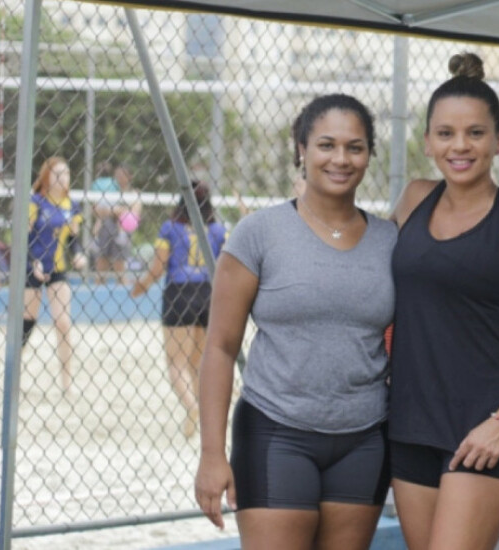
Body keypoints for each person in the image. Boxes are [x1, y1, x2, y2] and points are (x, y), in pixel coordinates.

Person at [194, 94, 397, 550]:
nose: (340, 159)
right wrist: (211, 453)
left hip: (364, 439)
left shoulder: (389, 239)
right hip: (276, 431)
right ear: (301, 149)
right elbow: (221, 347)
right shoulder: (259, 233)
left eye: (355, 147)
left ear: (368, 155)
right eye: (326, 145)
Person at [387, 52, 499, 550]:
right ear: (427, 142)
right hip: (411, 421)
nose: (459, 145)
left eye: (475, 133)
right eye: (445, 133)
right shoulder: (412, 201)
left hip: (487, 427)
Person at [130, 180, 227, 438]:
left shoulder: (170, 229)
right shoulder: (218, 230)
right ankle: (202, 415)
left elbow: (158, 266)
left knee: (176, 363)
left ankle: (192, 406)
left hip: (179, 293)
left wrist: (141, 286)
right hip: (208, 293)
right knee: (198, 362)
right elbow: (227, 264)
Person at [24, 156, 87, 393]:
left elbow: (73, 238)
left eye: (67, 173)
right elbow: (25, 235)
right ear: (47, 176)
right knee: (27, 322)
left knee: (63, 323)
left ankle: (66, 381)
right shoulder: (36, 202)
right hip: (33, 266)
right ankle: (15, 371)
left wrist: (78, 254)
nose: (63, 178)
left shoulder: (71, 204)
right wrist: (33, 262)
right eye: (58, 173)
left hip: (58, 268)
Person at [92, 162, 141, 284]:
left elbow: (134, 212)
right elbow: (97, 210)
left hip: (122, 231)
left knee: (119, 265)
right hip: (106, 228)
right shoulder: (108, 191)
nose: (119, 177)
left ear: (130, 177)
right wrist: (118, 211)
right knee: (101, 262)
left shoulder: (133, 194)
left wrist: (112, 210)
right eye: (117, 175)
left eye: (122, 174)